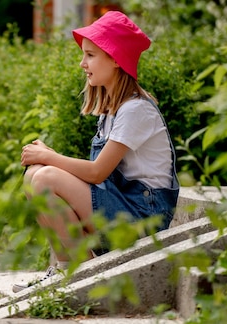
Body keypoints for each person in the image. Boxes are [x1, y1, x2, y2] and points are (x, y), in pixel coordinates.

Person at [12, 11, 179, 293]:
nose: (82, 63)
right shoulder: (113, 110)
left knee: (44, 177)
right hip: (124, 208)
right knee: (36, 175)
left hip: (143, 219)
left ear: (115, 59)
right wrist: (47, 159)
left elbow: (97, 172)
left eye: (90, 55)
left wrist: (49, 157)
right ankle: (65, 271)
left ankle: (81, 276)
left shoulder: (136, 109)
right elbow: (97, 177)